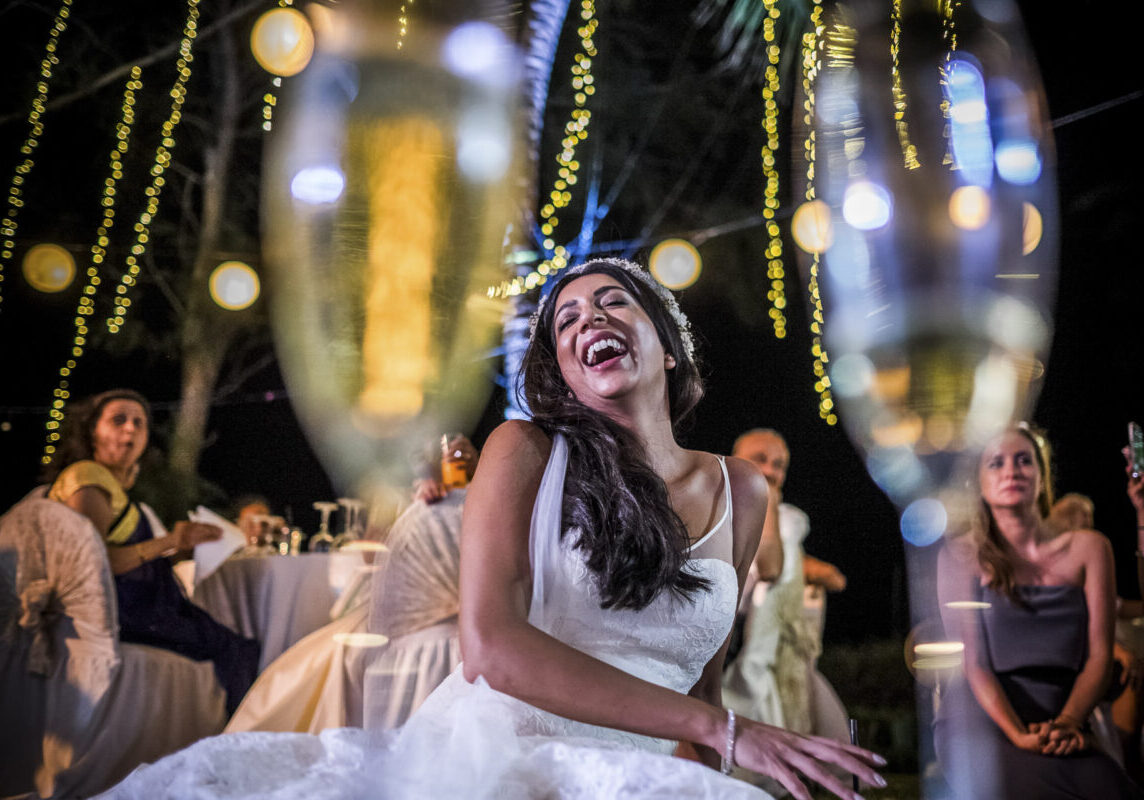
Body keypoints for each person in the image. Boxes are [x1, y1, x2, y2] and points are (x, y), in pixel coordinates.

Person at [97, 260, 883, 800]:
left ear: (667, 347)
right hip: (506, 761)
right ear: (566, 372)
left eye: (613, 302)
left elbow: (702, 680)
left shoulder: (740, 489)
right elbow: (494, 650)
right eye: (567, 319)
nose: (588, 320)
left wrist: (713, 767)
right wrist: (727, 729)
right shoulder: (526, 452)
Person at [934, 423, 1142, 798]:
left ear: (1043, 478)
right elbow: (974, 664)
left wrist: (1068, 722)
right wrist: (1017, 734)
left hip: (1063, 722)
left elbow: (1098, 656)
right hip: (982, 723)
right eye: (996, 463)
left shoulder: (1090, 549)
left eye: (1024, 460)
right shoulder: (961, 556)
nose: (1011, 470)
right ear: (977, 482)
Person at [44, 388, 260, 715]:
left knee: (233, 645)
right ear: (93, 432)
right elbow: (93, 563)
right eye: (118, 420)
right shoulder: (88, 477)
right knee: (239, 650)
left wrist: (184, 546)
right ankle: (237, 743)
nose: (130, 428)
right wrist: (171, 540)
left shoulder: (113, 487)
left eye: (139, 423)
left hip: (135, 607)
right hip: (118, 614)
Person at [723, 428, 850, 763]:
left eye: (779, 465)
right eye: (759, 459)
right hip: (719, 640)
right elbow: (769, 568)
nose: (769, 471)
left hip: (752, 642)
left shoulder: (785, 521)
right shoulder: (717, 504)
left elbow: (792, 568)